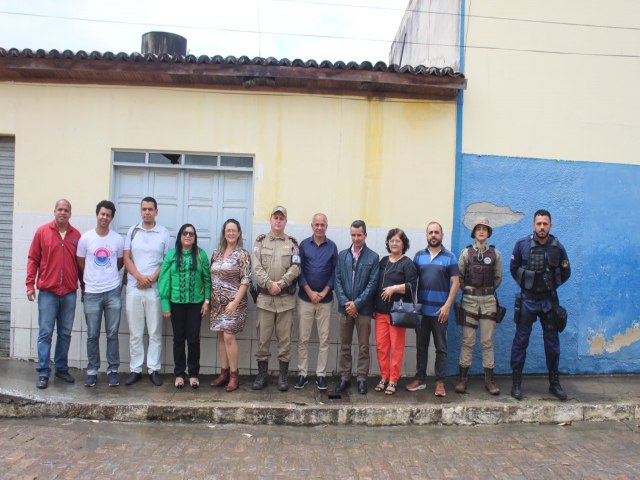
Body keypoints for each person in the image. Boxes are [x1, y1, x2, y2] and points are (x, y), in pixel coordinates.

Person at [510, 209, 571, 400]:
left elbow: (566, 272)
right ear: (533, 225)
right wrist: (528, 283)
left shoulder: (558, 247)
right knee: (520, 341)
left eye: (545, 224)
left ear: (550, 225)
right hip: (528, 300)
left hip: (548, 301)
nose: (542, 227)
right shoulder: (521, 245)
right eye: (539, 223)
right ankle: (516, 383)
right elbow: (513, 269)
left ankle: (554, 383)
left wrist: (550, 285)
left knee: (552, 343)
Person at [26, 199, 82, 389]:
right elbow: (33, 259)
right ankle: (43, 371)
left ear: (70, 213)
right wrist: (29, 284)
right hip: (48, 292)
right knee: (45, 333)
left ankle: (61, 369)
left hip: (69, 292)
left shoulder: (76, 236)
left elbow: (81, 265)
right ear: (54, 211)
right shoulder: (43, 232)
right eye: (60, 209)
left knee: (65, 333)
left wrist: (84, 287)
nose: (63, 213)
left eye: (66, 210)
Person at [251, 206, 301, 392]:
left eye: (281, 218)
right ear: (270, 220)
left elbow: (296, 267)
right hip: (264, 299)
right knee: (262, 340)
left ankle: (282, 377)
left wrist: (280, 283)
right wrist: (269, 283)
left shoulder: (293, 243)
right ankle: (262, 375)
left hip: (285, 300)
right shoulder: (260, 242)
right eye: (275, 217)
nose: (278, 221)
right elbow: (255, 265)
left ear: (285, 221)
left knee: (285, 341)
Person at [407, 221, 460, 397]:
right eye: (430, 232)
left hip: (440, 313)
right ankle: (420, 379)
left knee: (441, 348)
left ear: (442, 235)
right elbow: (412, 283)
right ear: (426, 235)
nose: (433, 235)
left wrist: (447, 306)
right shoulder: (418, 256)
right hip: (422, 311)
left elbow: (456, 282)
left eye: (437, 232)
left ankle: (440, 382)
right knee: (421, 347)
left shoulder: (450, 257)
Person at [123, 197, 170, 387]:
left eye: (150, 209)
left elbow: (165, 261)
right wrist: (139, 277)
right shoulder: (133, 231)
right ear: (140, 211)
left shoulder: (163, 233)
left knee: (155, 332)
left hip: (154, 289)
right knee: (135, 332)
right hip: (134, 288)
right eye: (144, 209)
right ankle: (135, 369)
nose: (147, 212)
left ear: (156, 211)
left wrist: (151, 279)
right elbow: (126, 258)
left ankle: (153, 369)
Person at [76, 200, 124, 387]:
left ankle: (113, 370)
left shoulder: (117, 239)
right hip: (92, 293)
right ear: (97, 215)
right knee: (92, 334)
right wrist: (92, 278)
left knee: (112, 334)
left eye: (108, 215)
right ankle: (92, 370)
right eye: (102, 214)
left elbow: (119, 262)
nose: (104, 217)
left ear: (112, 218)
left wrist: (107, 276)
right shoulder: (86, 238)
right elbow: (81, 262)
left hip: (112, 291)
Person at [159, 224, 211, 389]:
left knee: (194, 339)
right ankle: (180, 374)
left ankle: (194, 374)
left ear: (195, 237)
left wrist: (207, 300)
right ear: (180, 236)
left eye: (191, 234)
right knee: (178, 339)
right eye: (185, 233)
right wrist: (165, 304)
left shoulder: (201, 255)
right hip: (176, 304)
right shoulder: (172, 255)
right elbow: (164, 279)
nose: (188, 236)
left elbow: (207, 279)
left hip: (196, 304)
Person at [455, 217, 503, 395]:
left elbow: (498, 278)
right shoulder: (466, 253)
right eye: (478, 229)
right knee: (467, 341)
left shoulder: (495, 254)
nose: (481, 231)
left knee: (487, 342)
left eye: (485, 229)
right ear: (474, 232)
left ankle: (489, 380)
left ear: (488, 232)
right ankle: (462, 378)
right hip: (469, 300)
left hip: (489, 300)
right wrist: (469, 291)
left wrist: (485, 292)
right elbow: (458, 276)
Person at [334, 220, 380, 395]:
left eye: (359, 235)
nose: (356, 238)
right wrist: (347, 303)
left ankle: (361, 378)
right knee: (344, 345)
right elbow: (337, 281)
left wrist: (357, 304)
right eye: (353, 235)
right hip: (344, 309)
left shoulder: (373, 257)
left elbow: (372, 284)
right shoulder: (342, 255)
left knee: (363, 346)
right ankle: (345, 377)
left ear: (365, 235)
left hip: (364, 310)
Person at [294, 213, 338, 391]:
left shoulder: (332, 246)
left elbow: (334, 272)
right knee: (303, 339)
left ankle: (321, 375)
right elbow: (299, 270)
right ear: (311, 226)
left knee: (324, 340)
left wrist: (324, 292)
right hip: (305, 298)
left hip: (325, 300)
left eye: (323, 225)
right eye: (317, 224)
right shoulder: (303, 245)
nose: (319, 227)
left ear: (326, 226)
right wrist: (310, 292)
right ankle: (302, 374)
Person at [209, 219, 251, 392]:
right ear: (224, 233)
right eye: (228, 230)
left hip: (234, 303)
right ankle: (223, 373)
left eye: (234, 230)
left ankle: (234, 375)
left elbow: (246, 279)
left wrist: (234, 302)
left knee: (228, 337)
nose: (231, 233)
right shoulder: (216, 253)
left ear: (239, 233)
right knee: (220, 337)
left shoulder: (243, 254)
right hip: (217, 304)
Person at [373, 228, 417, 395]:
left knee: (396, 348)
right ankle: (384, 377)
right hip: (381, 313)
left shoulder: (408, 263)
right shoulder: (383, 261)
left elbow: (412, 286)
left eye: (397, 240)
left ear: (403, 244)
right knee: (381, 347)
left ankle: (393, 380)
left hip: (397, 314)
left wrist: (394, 288)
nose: (394, 243)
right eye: (391, 240)